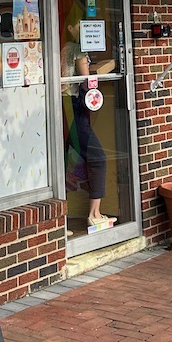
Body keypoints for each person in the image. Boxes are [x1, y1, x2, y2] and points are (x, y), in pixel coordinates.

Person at [60, 23, 114, 228]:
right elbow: (87, 81)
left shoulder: (64, 48)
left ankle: (61, 220)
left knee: (63, 162)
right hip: (75, 107)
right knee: (98, 158)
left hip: (63, 106)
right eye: (78, 24)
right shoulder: (78, 49)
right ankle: (94, 213)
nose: (82, 28)